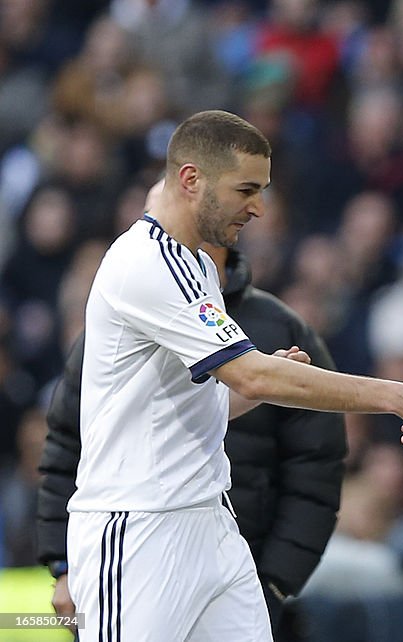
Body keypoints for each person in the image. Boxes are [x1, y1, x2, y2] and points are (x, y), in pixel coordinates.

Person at [64, 110, 403, 642]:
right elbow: (252, 377)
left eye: (262, 190)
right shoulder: (147, 264)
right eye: (246, 189)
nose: (259, 208)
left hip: (209, 518)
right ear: (192, 180)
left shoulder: (194, 263)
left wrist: (268, 382)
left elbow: (200, 403)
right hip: (137, 529)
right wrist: (402, 397)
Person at [37, 238, 348, 636]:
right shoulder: (115, 319)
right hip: (137, 548)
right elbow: (67, 445)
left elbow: (316, 470)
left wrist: (274, 581)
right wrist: (63, 566)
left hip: (232, 552)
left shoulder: (280, 326)